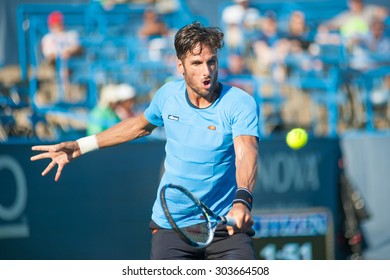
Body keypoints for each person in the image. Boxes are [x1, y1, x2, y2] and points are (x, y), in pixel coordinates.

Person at [30, 22, 259, 260]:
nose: (206, 71)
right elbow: (138, 126)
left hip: (226, 227)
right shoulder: (167, 96)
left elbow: (246, 151)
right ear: (180, 66)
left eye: (212, 62)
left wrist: (242, 199)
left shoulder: (239, 103)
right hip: (173, 226)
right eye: (197, 63)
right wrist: (81, 146)